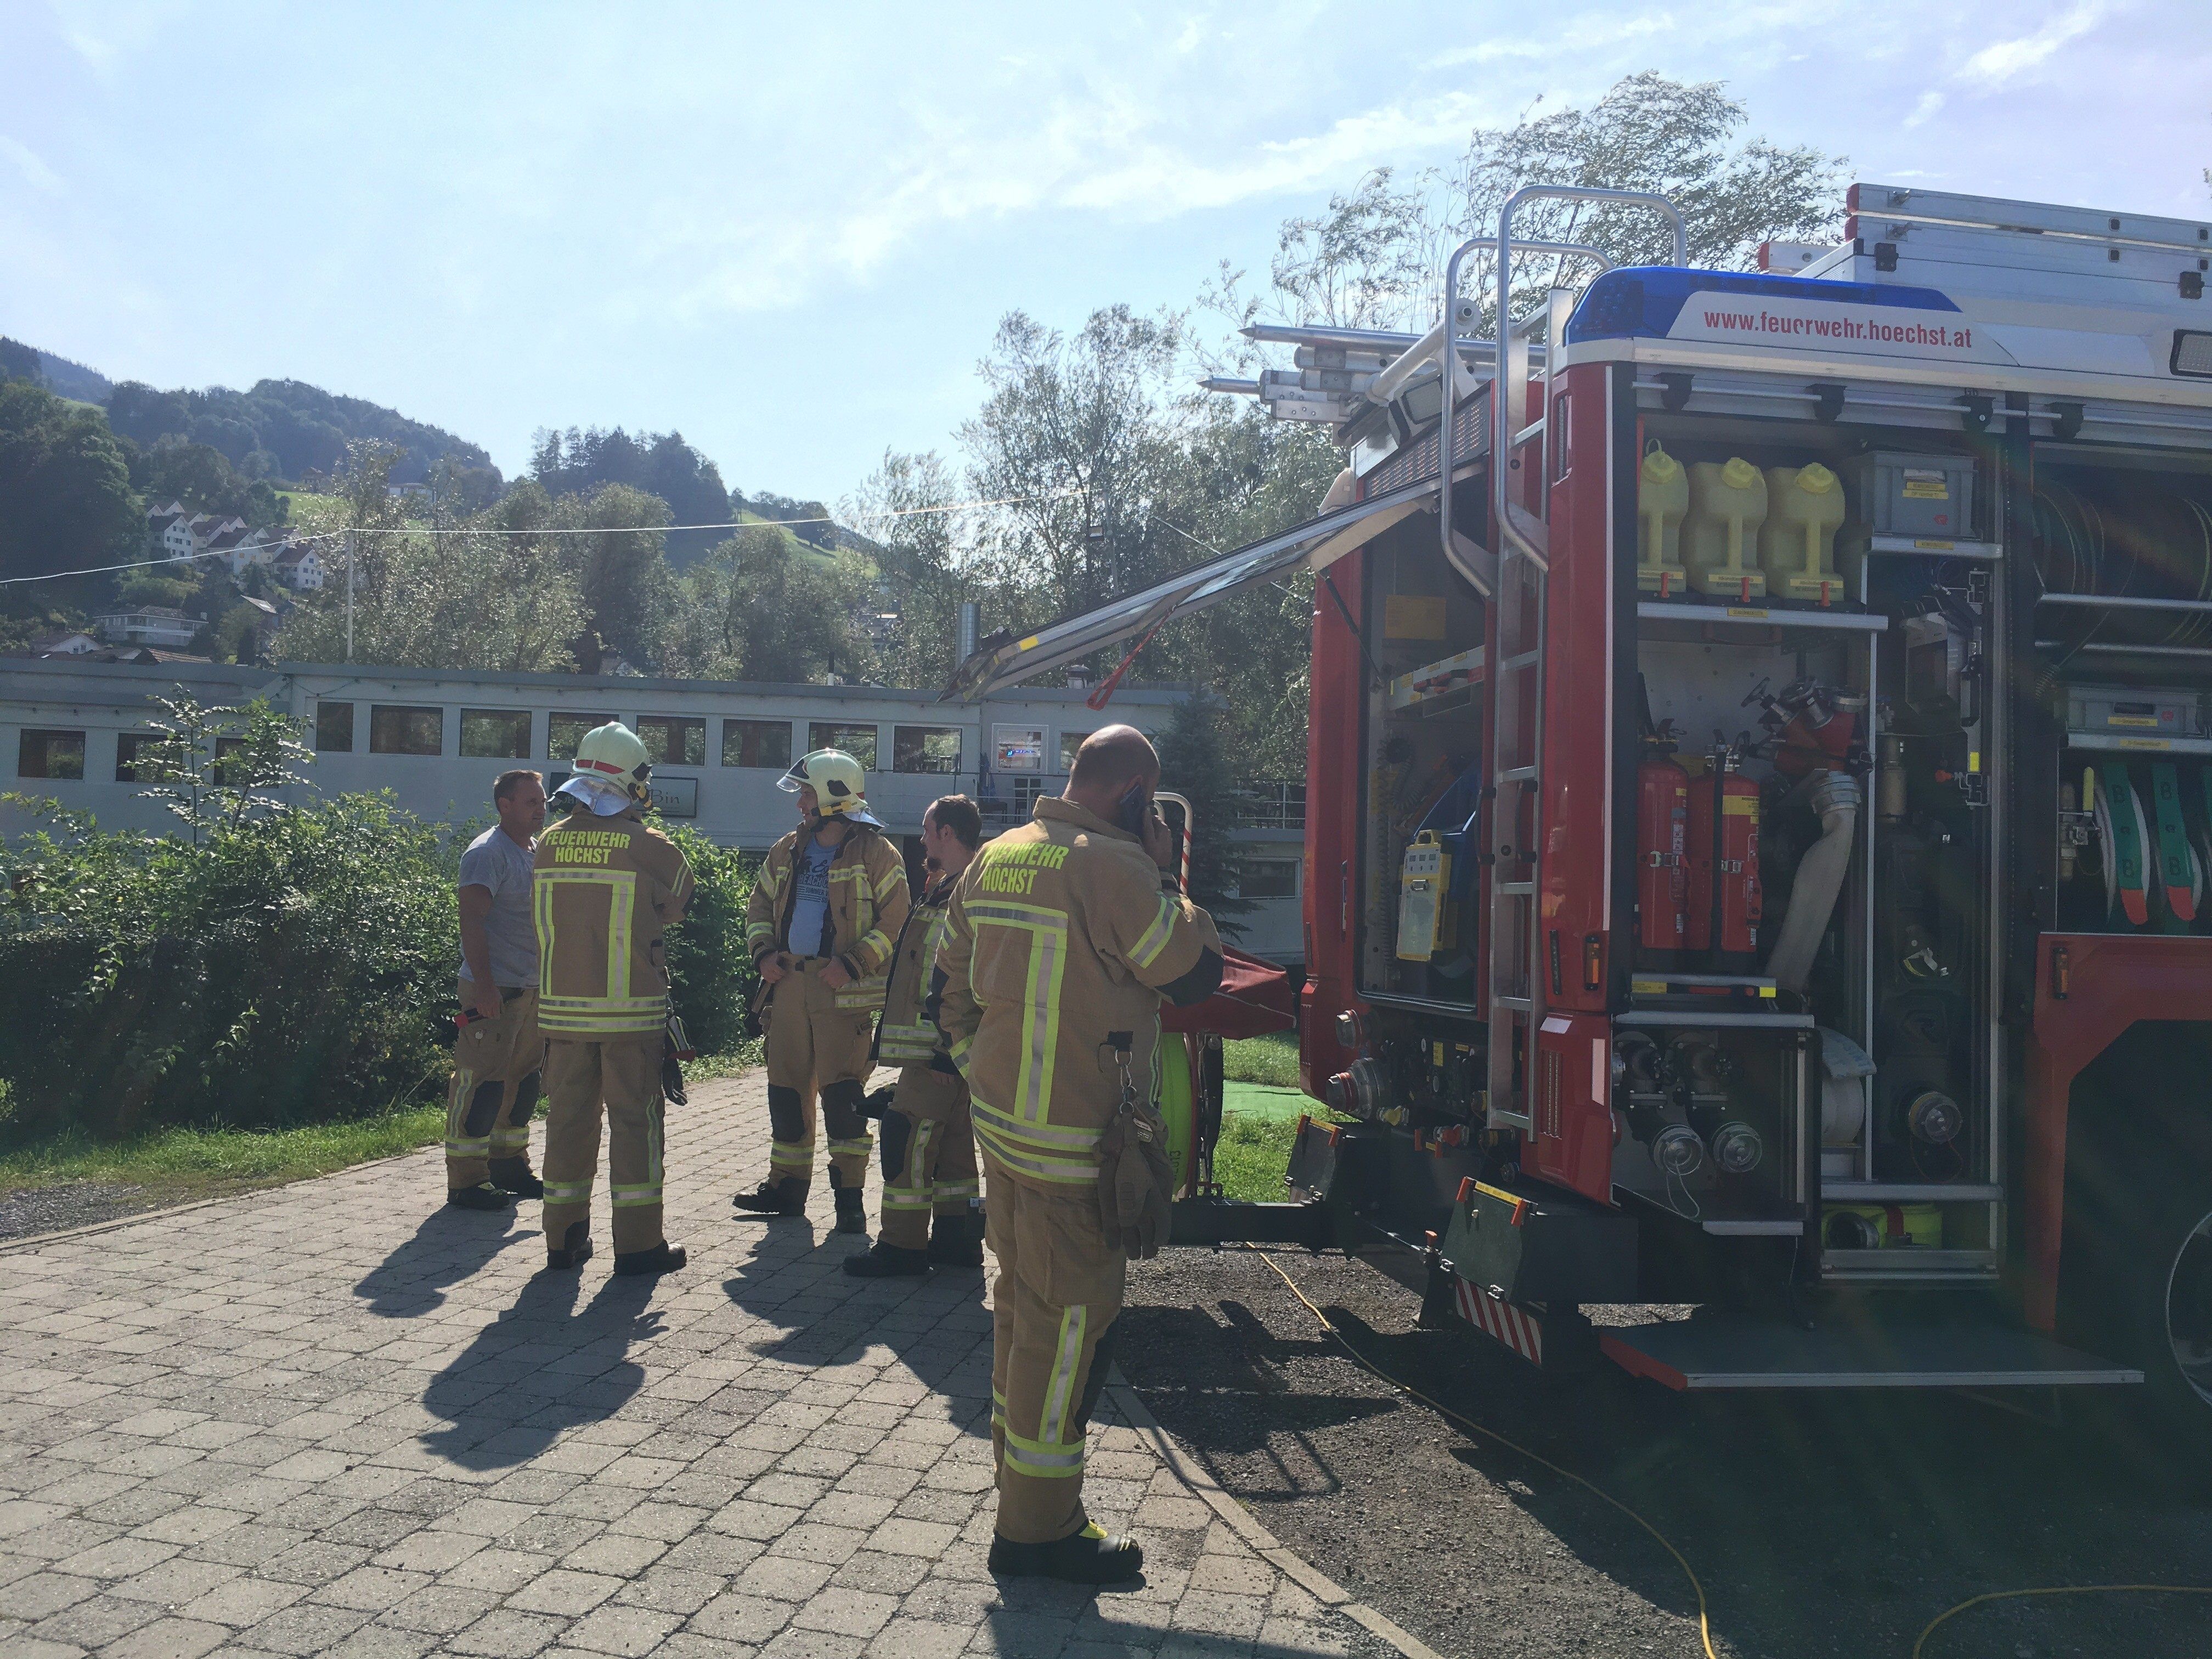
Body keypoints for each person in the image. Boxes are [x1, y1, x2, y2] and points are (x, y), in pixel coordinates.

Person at [934, 725, 1223, 1583]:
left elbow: (946, 983)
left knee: (1023, 1316)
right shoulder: (1118, 869)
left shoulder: (997, 855)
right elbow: (1194, 973)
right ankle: (1037, 1533)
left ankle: (1022, 1498)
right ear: (1135, 792)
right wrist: (1169, 872)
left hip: (1006, 1139)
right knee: (1066, 1338)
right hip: (1076, 1154)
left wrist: (979, 1077)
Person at [533, 723, 693, 1276]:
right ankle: (639, 1246)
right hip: (630, 1018)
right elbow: (678, 904)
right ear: (635, 781)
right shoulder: (649, 847)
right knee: (635, 1126)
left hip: (560, 1017)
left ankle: (564, 1240)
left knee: (567, 1125)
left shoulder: (549, 842)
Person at [736, 749, 911, 1233]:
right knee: (786, 1092)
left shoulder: (878, 854)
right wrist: (764, 955)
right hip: (788, 984)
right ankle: (786, 1191)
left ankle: (849, 1202)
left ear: (832, 798)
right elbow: (758, 909)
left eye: (807, 794)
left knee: (843, 1096)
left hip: (844, 995)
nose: (800, 805)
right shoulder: (787, 849)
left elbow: (895, 922)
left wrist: (852, 964)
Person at [844, 794, 985, 1278]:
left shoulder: (964, 893)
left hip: (937, 1052)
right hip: (946, 1050)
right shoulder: (952, 888)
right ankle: (956, 1241)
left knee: (908, 1140)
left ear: (947, 833)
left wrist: (944, 1053)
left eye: (928, 831)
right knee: (953, 1151)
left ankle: (901, 1248)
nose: (922, 839)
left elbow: (959, 979)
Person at [445, 769, 549, 1211]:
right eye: (531, 802)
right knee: (482, 1085)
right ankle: (467, 1180)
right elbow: (472, 920)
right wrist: (485, 987)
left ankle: (509, 1164)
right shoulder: (487, 853)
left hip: (530, 990)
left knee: (523, 1083)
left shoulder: (535, 850)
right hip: (495, 991)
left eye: (542, 801)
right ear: (505, 805)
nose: (541, 809)